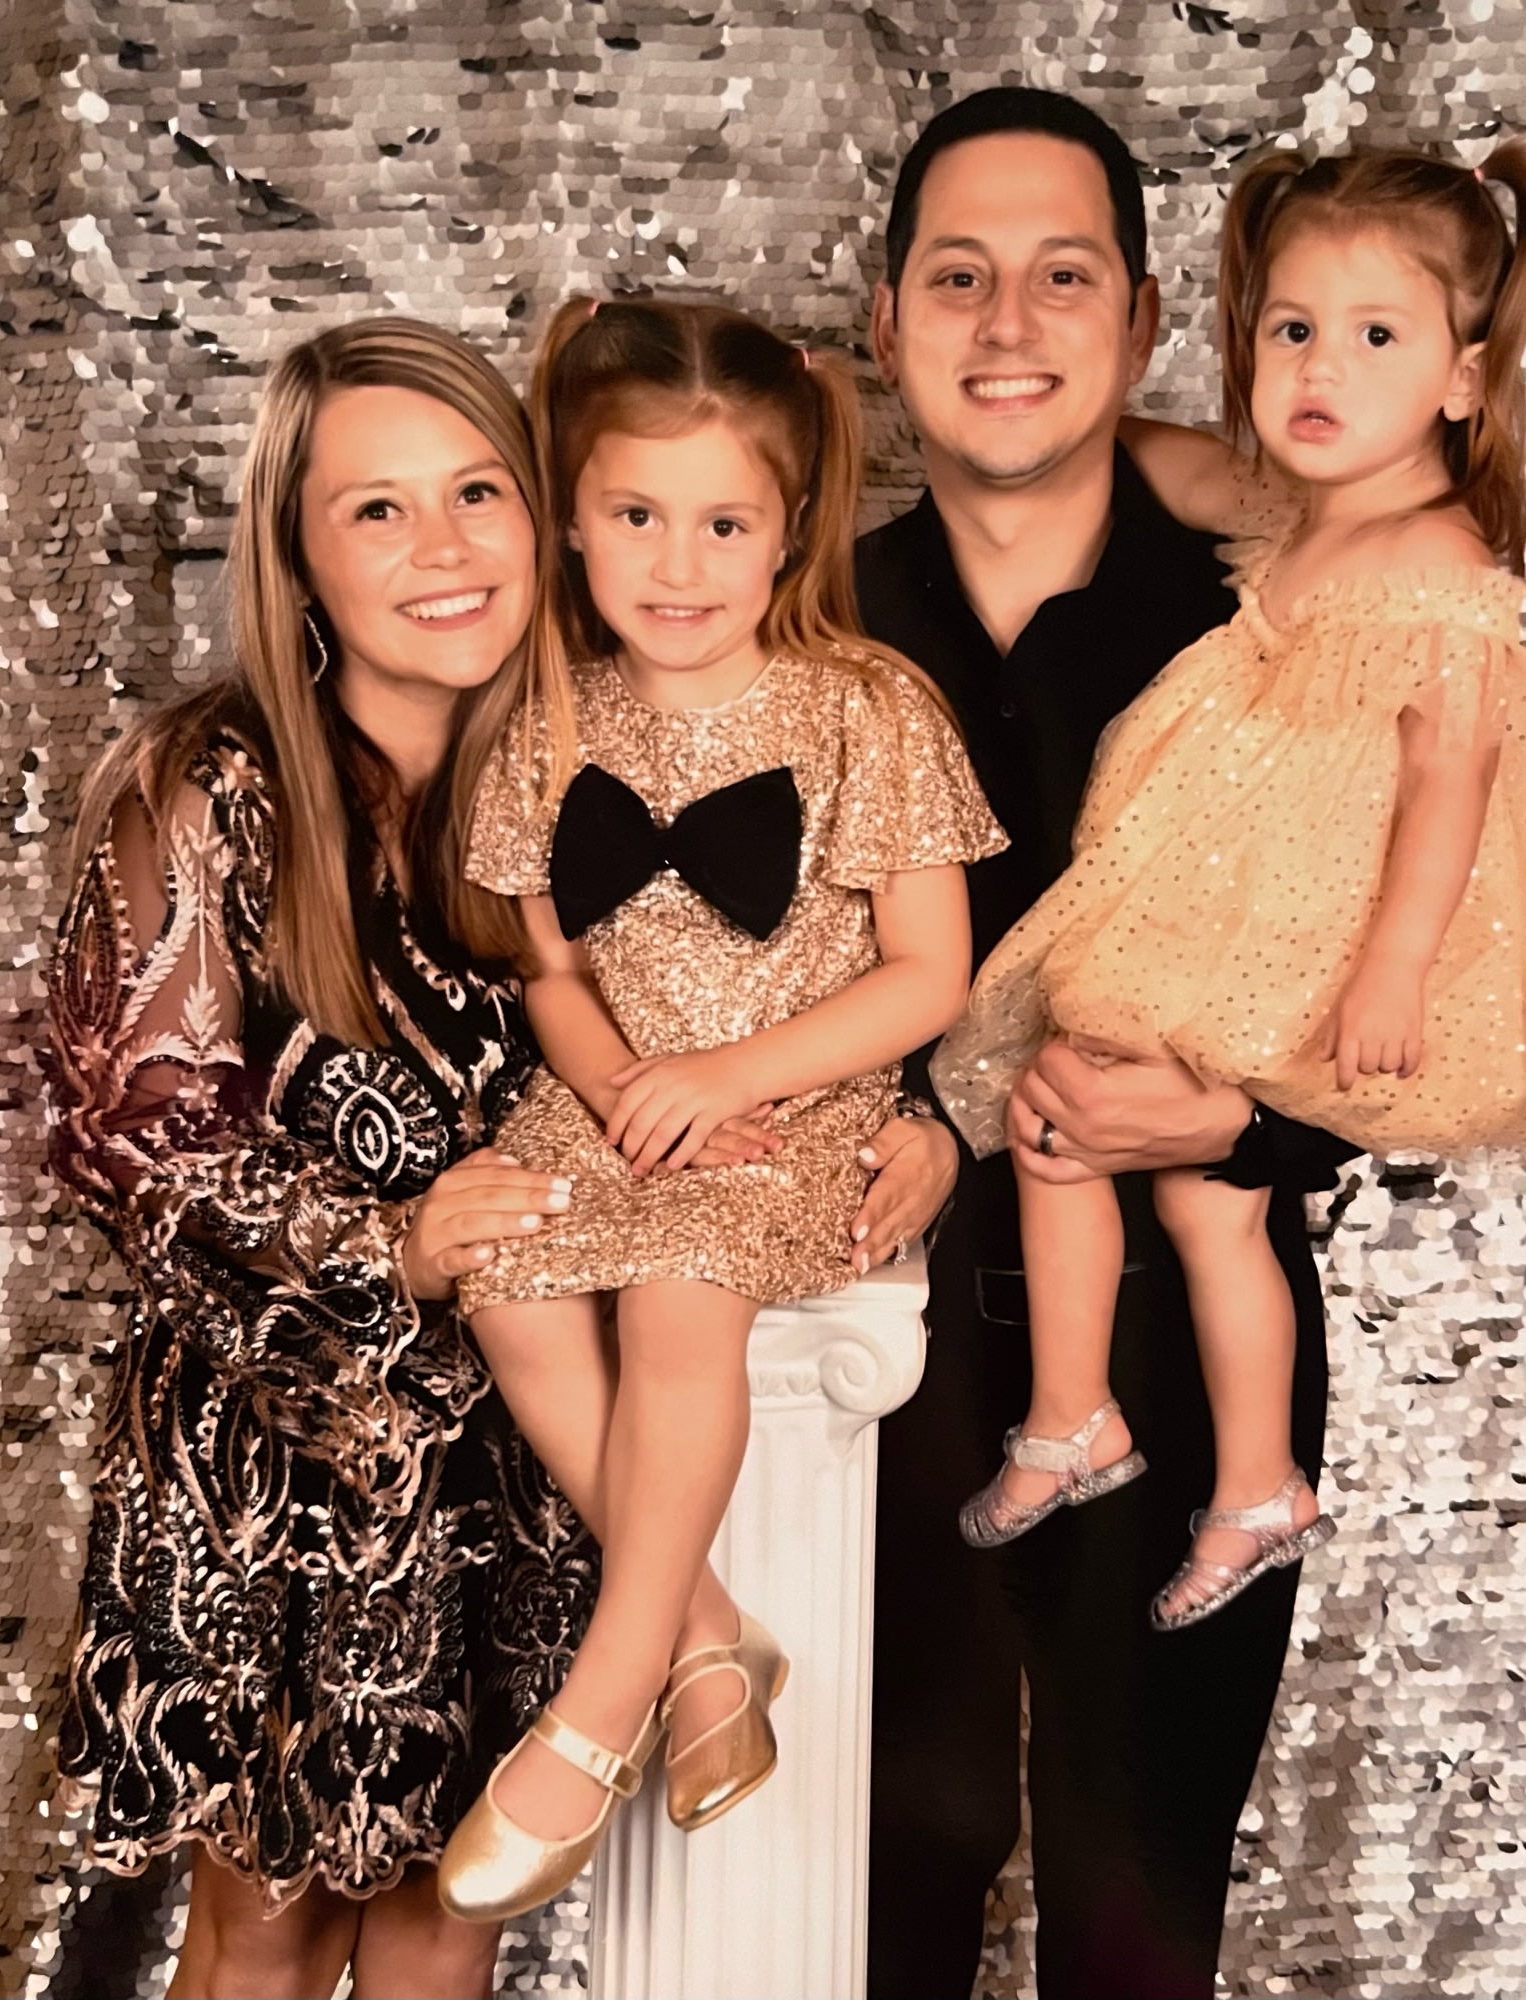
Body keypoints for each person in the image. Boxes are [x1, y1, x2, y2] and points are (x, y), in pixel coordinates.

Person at [930, 142, 1526, 1629]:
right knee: (1120, 1158)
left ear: (1463, 378)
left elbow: (1448, 784)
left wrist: (1393, 967)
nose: (1320, 367)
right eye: (1291, 330)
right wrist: (1065, 405)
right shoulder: (1310, 514)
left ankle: (1169, 1452)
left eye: (1376, 336)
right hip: (1223, 901)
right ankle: (1147, 1443)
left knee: (1140, 1149)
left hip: (1305, 930)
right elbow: (1169, 455)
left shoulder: (1431, 558)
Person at [852, 89, 1356, 1999]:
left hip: (1185, 1340)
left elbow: (1428, 971)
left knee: (1138, 1915)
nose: (1007, 324)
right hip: (854, 1358)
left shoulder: (1276, 625)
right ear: (884, 319)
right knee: (868, 1902)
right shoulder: (788, 615)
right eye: (957, 278)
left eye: (1062, 278)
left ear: (1142, 324)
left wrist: (1243, 1116)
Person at [432, 298, 1003, 1925]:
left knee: (680, 1296)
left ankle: (602, 1702)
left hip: (793, 1101)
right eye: (634, 516)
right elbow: (549, 969)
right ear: (570, 518)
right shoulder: (546, 718)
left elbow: (929, 975)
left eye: (723, 525)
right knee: (506, 1278)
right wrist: (624, 1085)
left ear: (788, 527)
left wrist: (726, 1079)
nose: (676, 564)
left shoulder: (866, 708)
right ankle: (702, 1633)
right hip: (611, 1100)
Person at [45, 317, 587, 1999]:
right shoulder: (206, 788)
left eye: (478, 491)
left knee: (448, 1924)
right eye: (376, 510)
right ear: (296, 560)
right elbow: (131, 1136)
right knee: (268, 1934)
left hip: (521, 1461)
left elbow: (767, 999)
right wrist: (387, 1246)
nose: (444, 548)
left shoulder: (592, 780)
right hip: (276, 1465)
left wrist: (899, 1134)